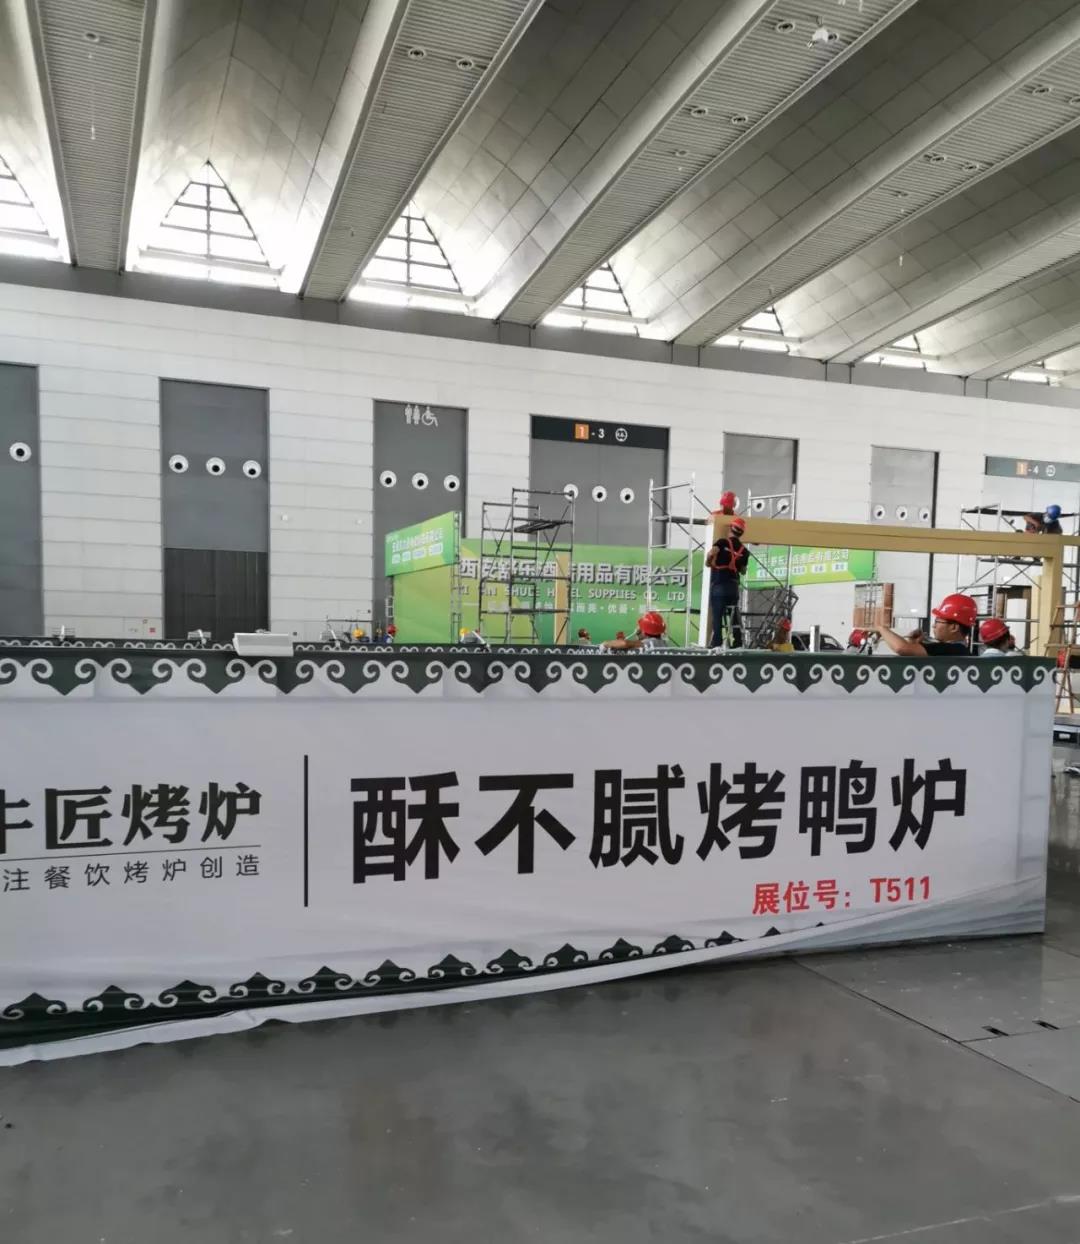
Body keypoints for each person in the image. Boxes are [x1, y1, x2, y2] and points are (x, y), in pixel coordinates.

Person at [873, 593, 976, 656]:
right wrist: (914, 643)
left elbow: (901, 648)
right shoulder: (959, 650)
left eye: (937, 622)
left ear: (954, 627)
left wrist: (881, 628)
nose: (933, 626)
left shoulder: (952, 649)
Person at [706, 516, 749, 648]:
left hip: (719, 584)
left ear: (731, 528)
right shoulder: (744, 551)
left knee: (717, 615)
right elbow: (743, 571)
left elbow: (712, 552)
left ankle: (717, 642)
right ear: (741, 533)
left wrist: (708, 561)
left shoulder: (723, 542)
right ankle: (738, 641)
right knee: (733, 614)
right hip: (733, 586)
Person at [602, 611, 668, 651]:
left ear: (644, 632)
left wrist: (605, 644)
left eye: (639, 627)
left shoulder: (650, 642)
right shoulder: (662, 643)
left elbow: (625, 644)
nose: (637, 629)